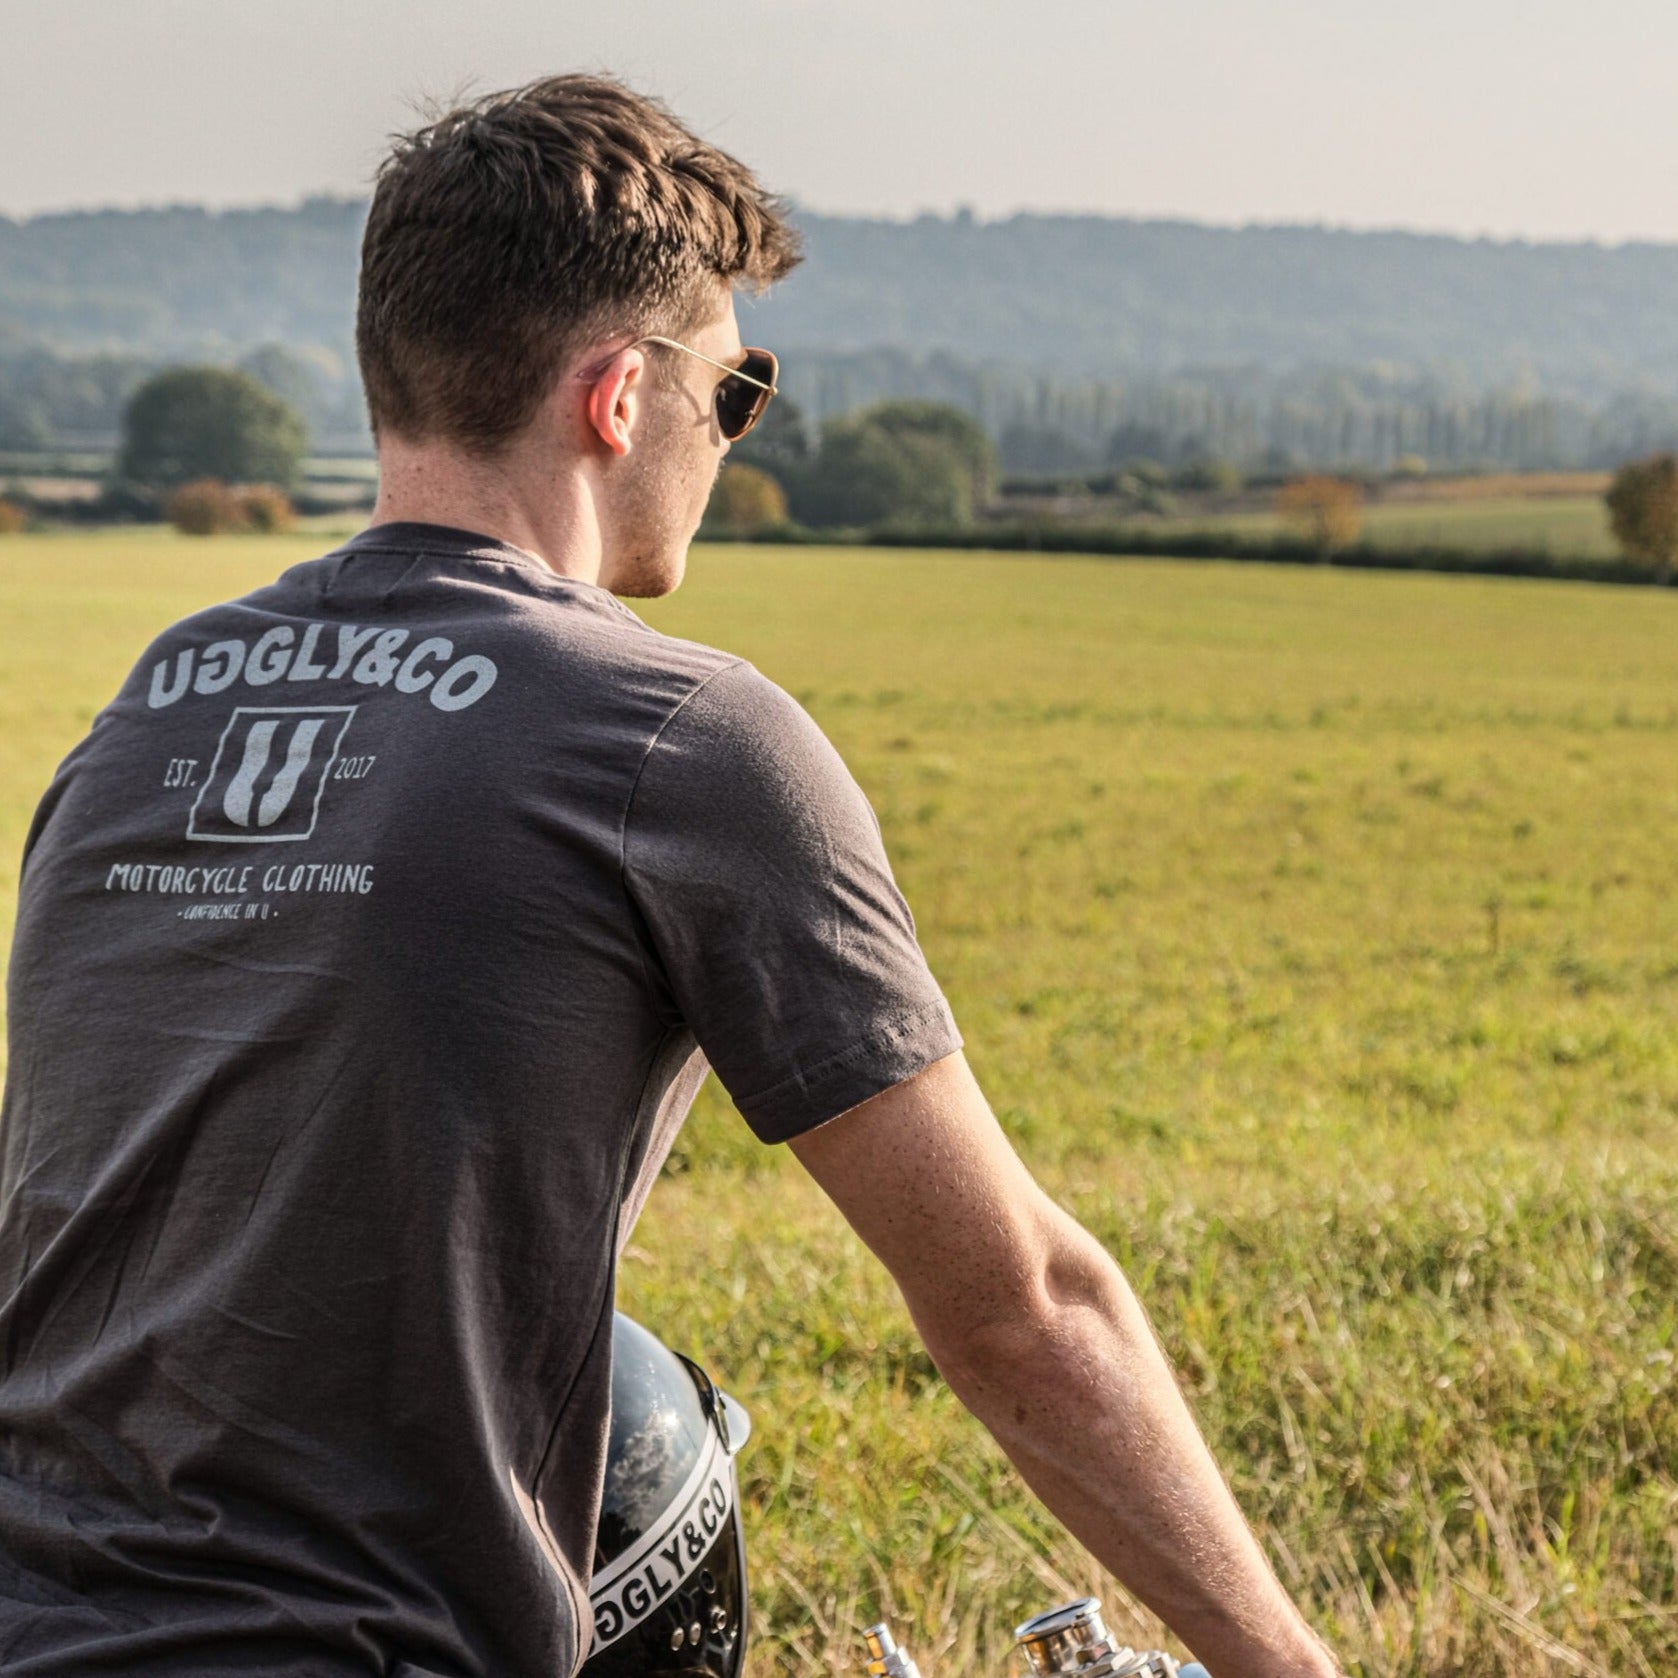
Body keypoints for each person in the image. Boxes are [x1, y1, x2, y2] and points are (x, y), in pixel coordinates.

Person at [0, 73, 1344, 1678]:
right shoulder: (670, 735)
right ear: (620, 396)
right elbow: (1021, 1309)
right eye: (737, 387)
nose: (729, 430)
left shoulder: (153, 707)